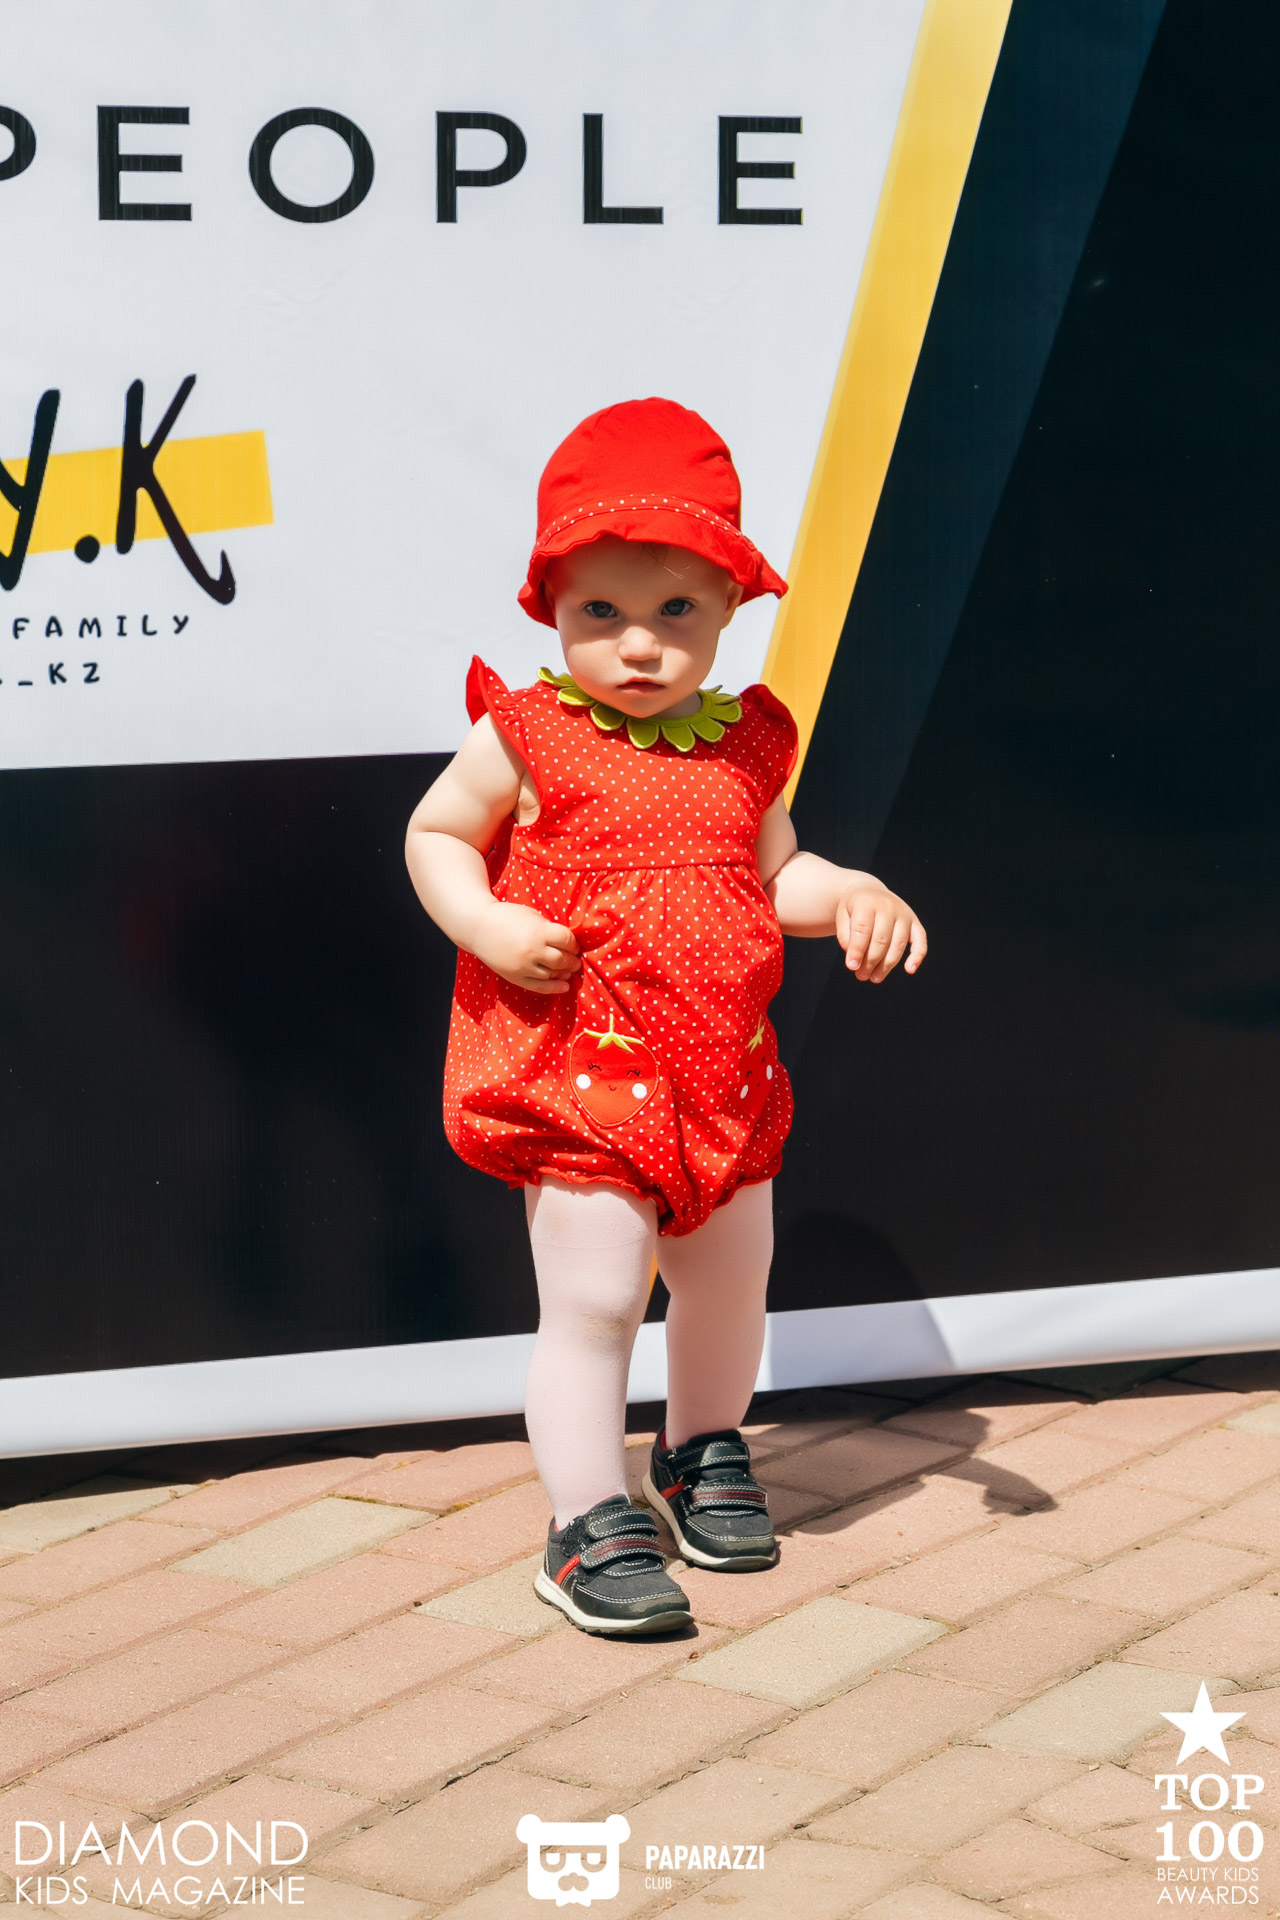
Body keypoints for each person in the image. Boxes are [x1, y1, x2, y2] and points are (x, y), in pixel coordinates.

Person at [406, 398, 926, 1635]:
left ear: (729, 608)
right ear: (552, 604)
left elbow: (775, 875)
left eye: (674, 612)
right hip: (582, 1077)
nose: (637, 646)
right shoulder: (525, 734)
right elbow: (436, 835)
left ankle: (700, 1447)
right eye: (602, 613)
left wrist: (848, 891)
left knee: (729, 1285)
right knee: (595, 1301)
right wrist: (485, 925)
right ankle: (586, 1518)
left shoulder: (744, 746)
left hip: (720, 1080)